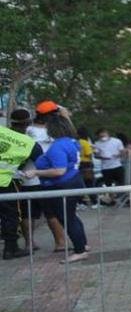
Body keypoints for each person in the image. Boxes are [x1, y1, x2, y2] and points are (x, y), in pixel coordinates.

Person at [28, 112, 89, 262]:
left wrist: (35, 172)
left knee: (67, 218)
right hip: (72, 182)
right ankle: (82, 244)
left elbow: (59, 170)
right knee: (71, 216)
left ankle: (80, 250)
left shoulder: (58, 146)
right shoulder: (71, 141)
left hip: (63, 185)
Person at [0, 118, 36, 259]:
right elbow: (42, 158)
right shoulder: (27, 142)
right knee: (12, 216)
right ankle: (11, 249)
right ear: (27, 125)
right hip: (6, 182)